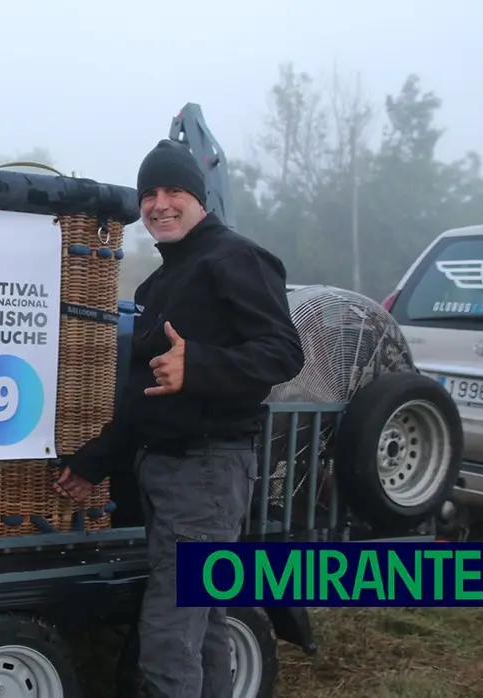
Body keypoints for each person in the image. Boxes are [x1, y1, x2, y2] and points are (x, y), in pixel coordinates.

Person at [54, 139, 305, 698]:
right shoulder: (161, 281)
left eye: (174, 191)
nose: (159, 204)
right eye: (149, 194)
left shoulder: (234, 258)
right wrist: (96, 461)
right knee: (205, 626)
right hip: (166, 471)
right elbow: (145, 394)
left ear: (200, 197)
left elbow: (284, 352)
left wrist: (201, 365)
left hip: (206, 474)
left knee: (168, 636)